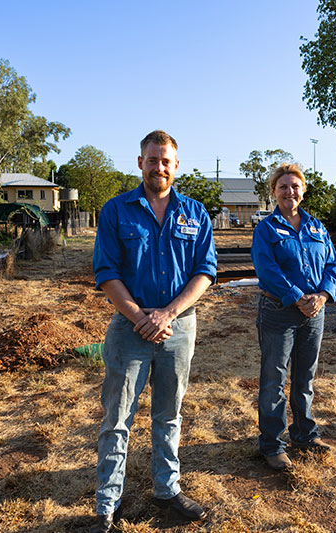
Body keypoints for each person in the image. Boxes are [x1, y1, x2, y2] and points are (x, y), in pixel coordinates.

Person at [91, 130, 217, 531]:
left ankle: (167, 490)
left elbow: (205, 272)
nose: (159, 167)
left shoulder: (196, 213)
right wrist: (140, 317)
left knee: (169, 413)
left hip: (178, 328)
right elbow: (106, 272)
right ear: (140, 162)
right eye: (152, 159)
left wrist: (168, 314)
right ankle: (106, 506)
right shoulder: (116, 211)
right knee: (117, 417)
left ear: (176, 166)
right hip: (130, 328)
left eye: (166, 161)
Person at [251, 163, 336, 470]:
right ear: (274, 192)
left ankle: (304, 434)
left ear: (303, 190)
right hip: (278, 312)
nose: (289, 192)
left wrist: (323, 295)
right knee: (274, 380)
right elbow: (267, 269)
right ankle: (273, 445)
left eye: (295, 186)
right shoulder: (266, 229)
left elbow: (332, 264)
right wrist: (298, 296)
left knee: (304, 378)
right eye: (283, 187)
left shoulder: (317, 227)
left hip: (314, 313)